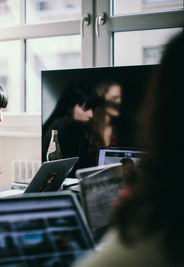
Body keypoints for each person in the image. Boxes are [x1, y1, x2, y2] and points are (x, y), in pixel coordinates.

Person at [73, 31, 184, 267]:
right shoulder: (85, 130)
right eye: (113, 98)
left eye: (120, 98)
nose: (119, 103)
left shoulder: (158, 229)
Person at [42, 81, 97, 175]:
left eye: (92, 109)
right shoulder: (59, 127)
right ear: (70, 106)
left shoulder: (80, 127)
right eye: (85, 109)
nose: (91, 115)